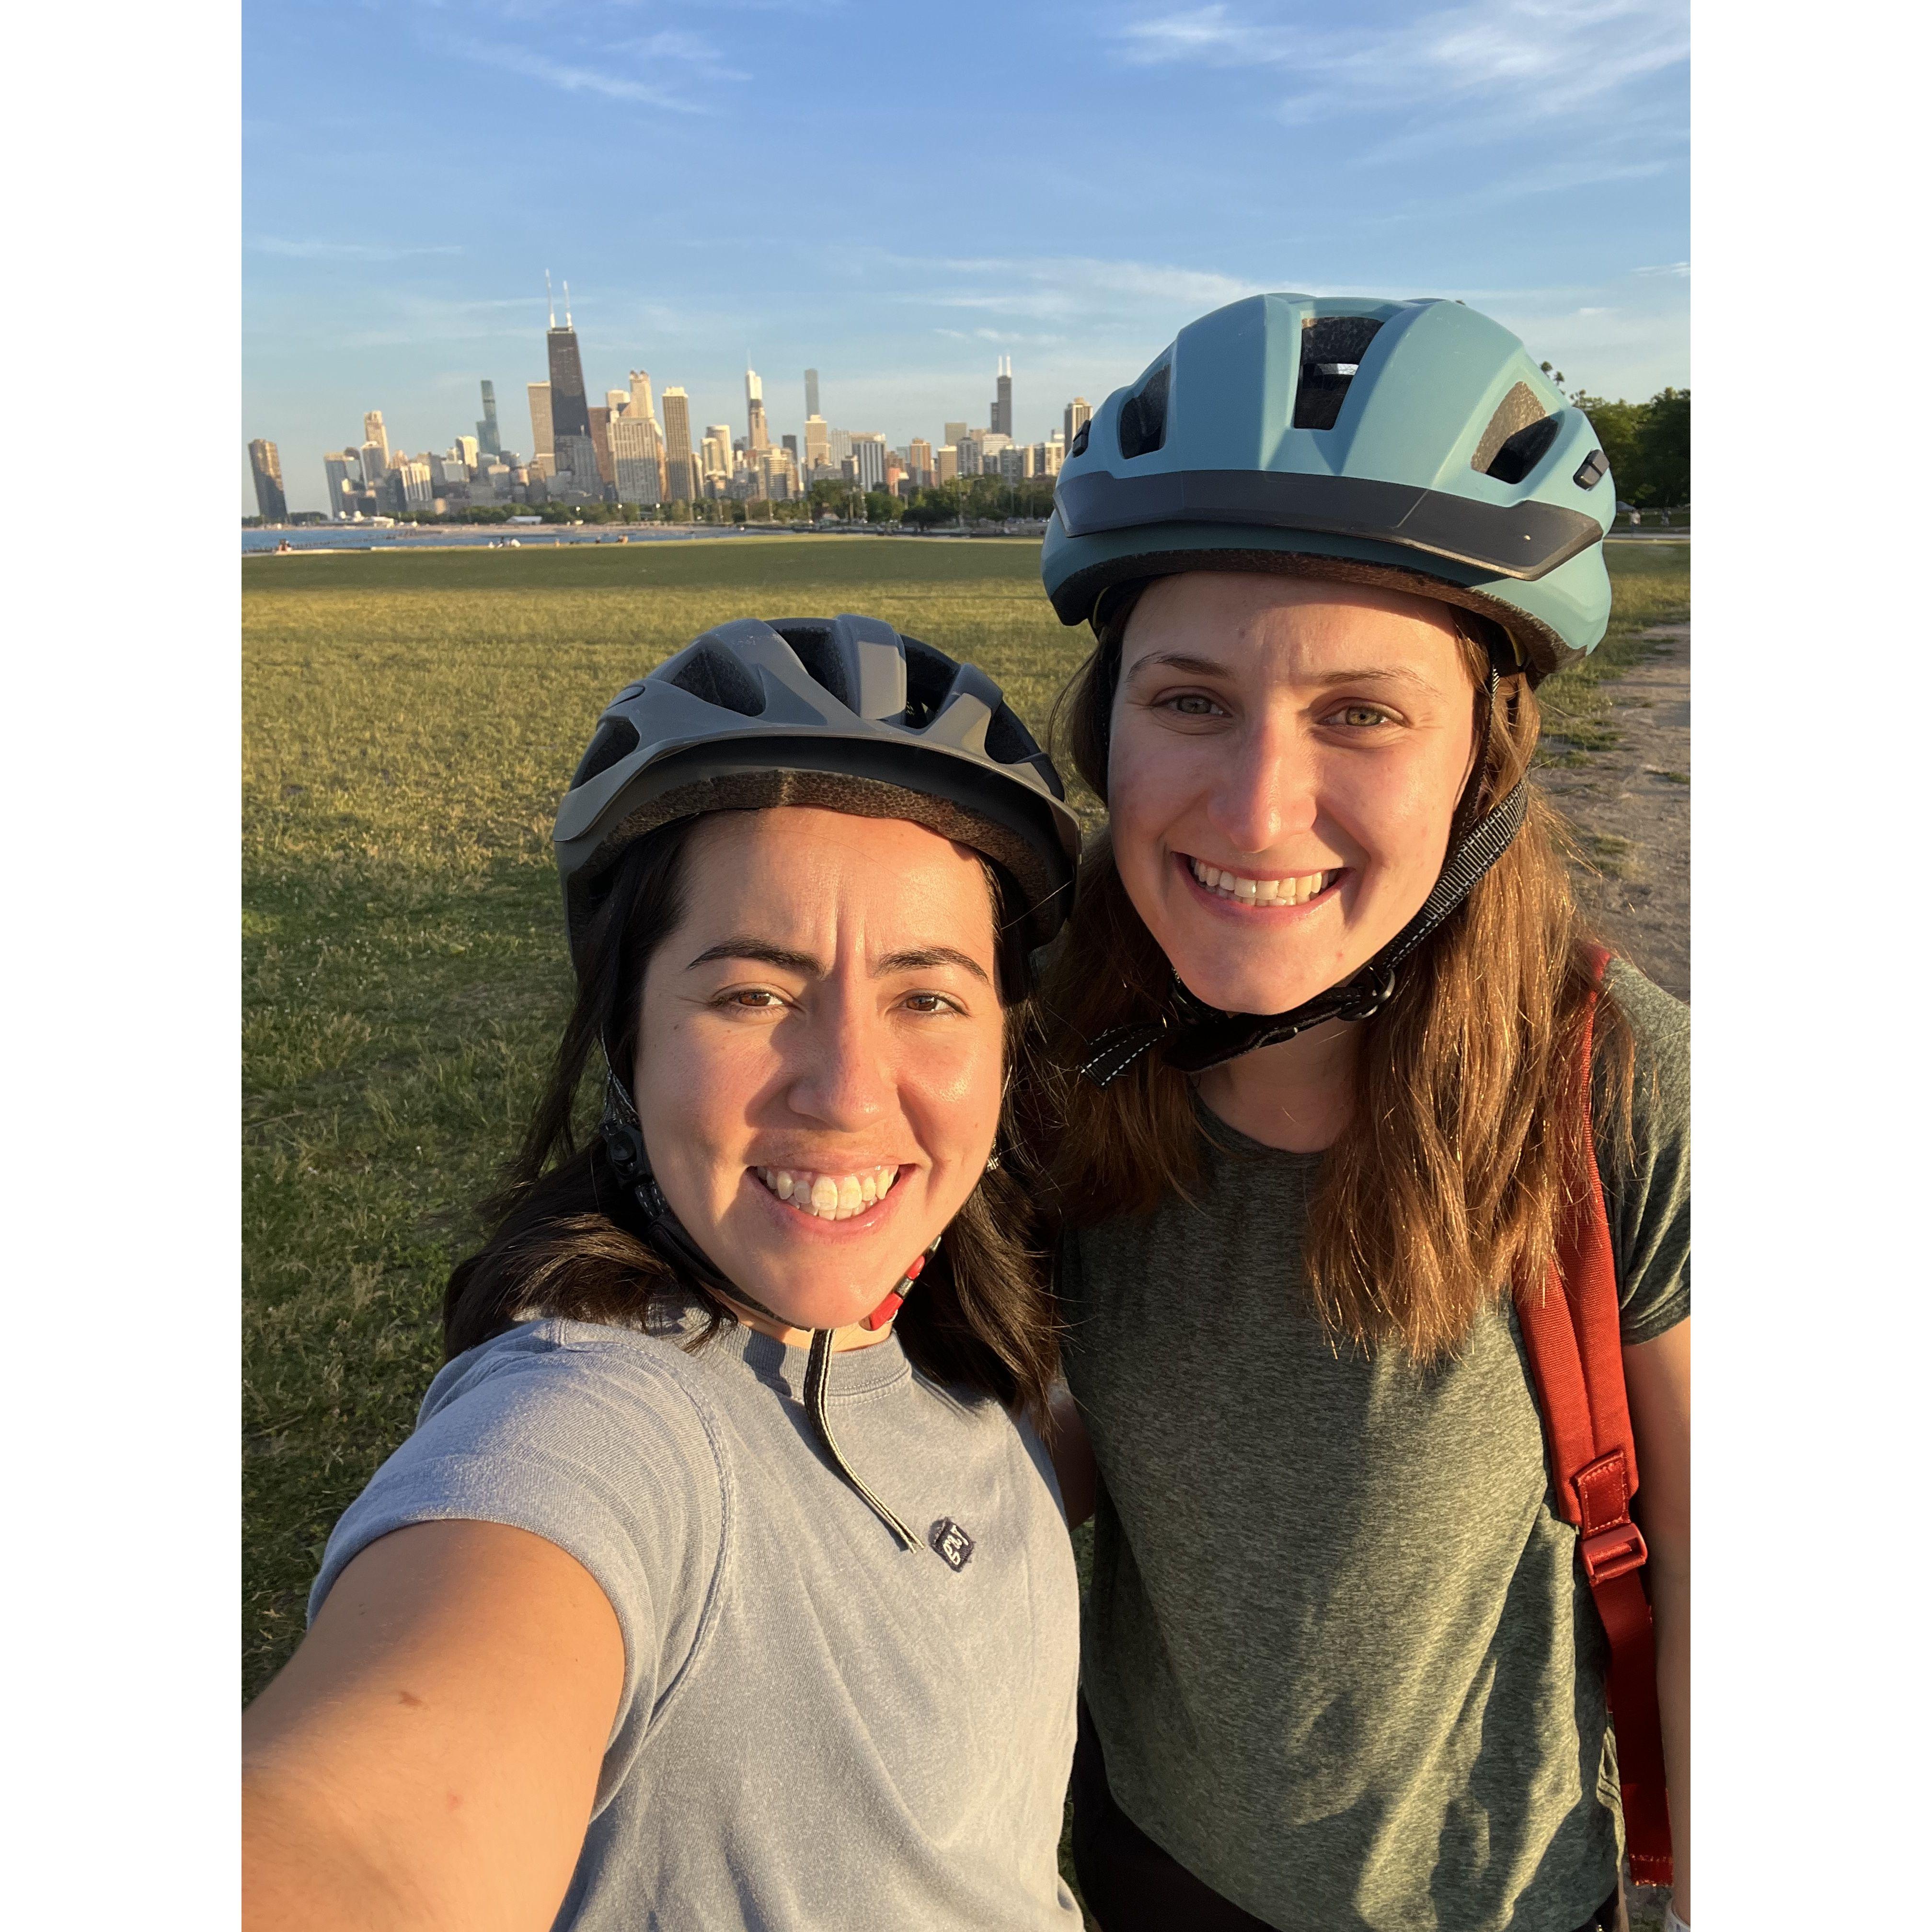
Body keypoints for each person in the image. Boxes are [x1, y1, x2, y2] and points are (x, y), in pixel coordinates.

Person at [242, 616, 1087, 1931]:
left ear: (1003, 1050)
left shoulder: (972, 1360)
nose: (847, 1091)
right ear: (626, 1039)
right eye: (753, 994)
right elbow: (353, 1838)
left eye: (927, 998)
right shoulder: (599, 1426)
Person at [1035, 295, 1690, 1932]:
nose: (1259, 810)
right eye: (1190, 701)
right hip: (1147, 1870)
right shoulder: (1034, 1057)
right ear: (1107, 725)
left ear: (1485, 759)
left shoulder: (1612, 1084)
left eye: (1362, 714)